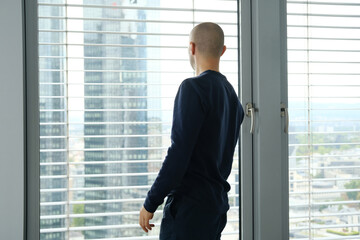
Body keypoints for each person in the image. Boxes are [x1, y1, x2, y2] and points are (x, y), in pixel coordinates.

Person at [139, 22, 244, 240]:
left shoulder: (192, 88)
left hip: (189, 211)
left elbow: (178, 153)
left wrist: (151, 202)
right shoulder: (233, 98)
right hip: (215, 209)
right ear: (222, 51)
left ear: (192, 48)